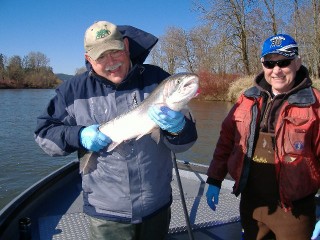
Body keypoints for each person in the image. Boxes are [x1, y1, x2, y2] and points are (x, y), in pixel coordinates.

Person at [34, 20, 197, 240]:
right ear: (88, 59)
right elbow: (44, 134)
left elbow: (186, 142)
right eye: (101, 56)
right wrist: (79, 136)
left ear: (126, 47)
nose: (111, 62)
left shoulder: (157, 79)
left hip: (156, 206)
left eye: (115, 51)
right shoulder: (72, 91)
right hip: (106, 215)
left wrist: (178, 129)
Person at [205, 33, 320, 239]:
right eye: (269, 63)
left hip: (295, 212)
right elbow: (226, 141)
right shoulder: (246, 99)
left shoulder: (315, 105)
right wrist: (214, 179)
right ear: (262, 64)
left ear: (297, 62)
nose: (276, 70)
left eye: (284, 62)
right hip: (252, 205)